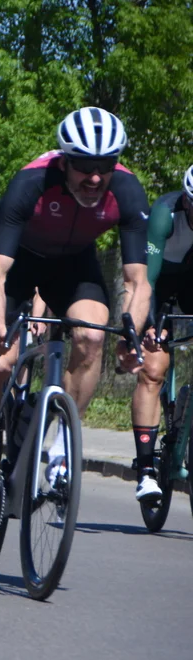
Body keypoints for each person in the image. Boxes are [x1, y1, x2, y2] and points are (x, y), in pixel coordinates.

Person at [0, 107, 151, 537]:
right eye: (84, 167)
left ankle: (61, 447)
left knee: (92, 336)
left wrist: (132, 329)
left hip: (74, 267)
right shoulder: (30, 184)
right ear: (64, 161)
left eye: (105, 167)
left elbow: (138, 281)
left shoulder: (129, 191)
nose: (95, 178)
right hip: (20, 262)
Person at [126, 163, 193, 502]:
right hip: (163, 283)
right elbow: (146, 281)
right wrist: (149, 325)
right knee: (152, 368)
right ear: (187, 201)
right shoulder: (165, 214)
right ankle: (147, 469)